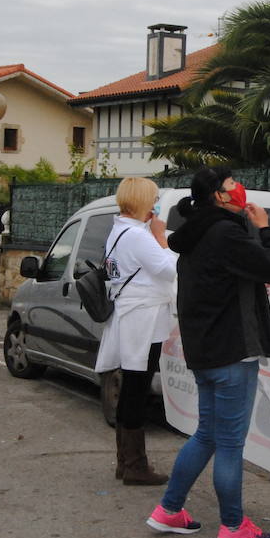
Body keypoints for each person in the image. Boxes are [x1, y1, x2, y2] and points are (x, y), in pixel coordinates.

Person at [146, 167, 270, 538]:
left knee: (207, 434)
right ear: (218, 196)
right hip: (231, 352)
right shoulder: (226, 232)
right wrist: (263, 228)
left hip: (206, 351)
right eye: (230, 185)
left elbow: (226, 279)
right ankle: (232, 527)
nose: (238, 189)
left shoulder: (196, 233)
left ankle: (169, 509)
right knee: (229, 443)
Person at [95, 177, 176, 485]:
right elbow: (169, 270)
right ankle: (134, 465)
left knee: (131, 387)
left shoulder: (119, 231)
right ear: (143, 200)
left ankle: (126, 462)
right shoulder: (139, 236)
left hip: (131, 317)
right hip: (143, 320)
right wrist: (161, 239)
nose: (156, 202)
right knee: (136, 389)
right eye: (154, 197)